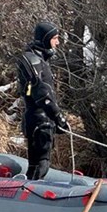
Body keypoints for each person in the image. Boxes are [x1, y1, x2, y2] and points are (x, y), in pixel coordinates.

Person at [17, 21, 69, 180]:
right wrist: (58, 117)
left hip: (41, 119)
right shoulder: (33, 60)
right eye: (55, 38)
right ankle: (28, 191)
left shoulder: (38, 59)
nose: (58, 43)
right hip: (40, 120)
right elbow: (42, 94)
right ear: (46, 39)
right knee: (41, 163)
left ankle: (28, 187)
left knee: (38, 163)